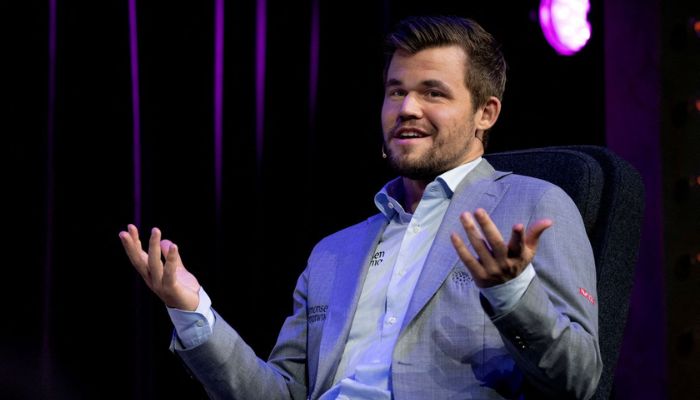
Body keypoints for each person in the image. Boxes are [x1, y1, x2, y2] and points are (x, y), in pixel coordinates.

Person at [120, 15, 602, 399]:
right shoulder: (333, 253)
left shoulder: (532, 205)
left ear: (485, 113)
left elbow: (578, 379)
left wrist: (512, 292)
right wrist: (192, 311)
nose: (406, 108)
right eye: (396, 91)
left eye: (432, 92)